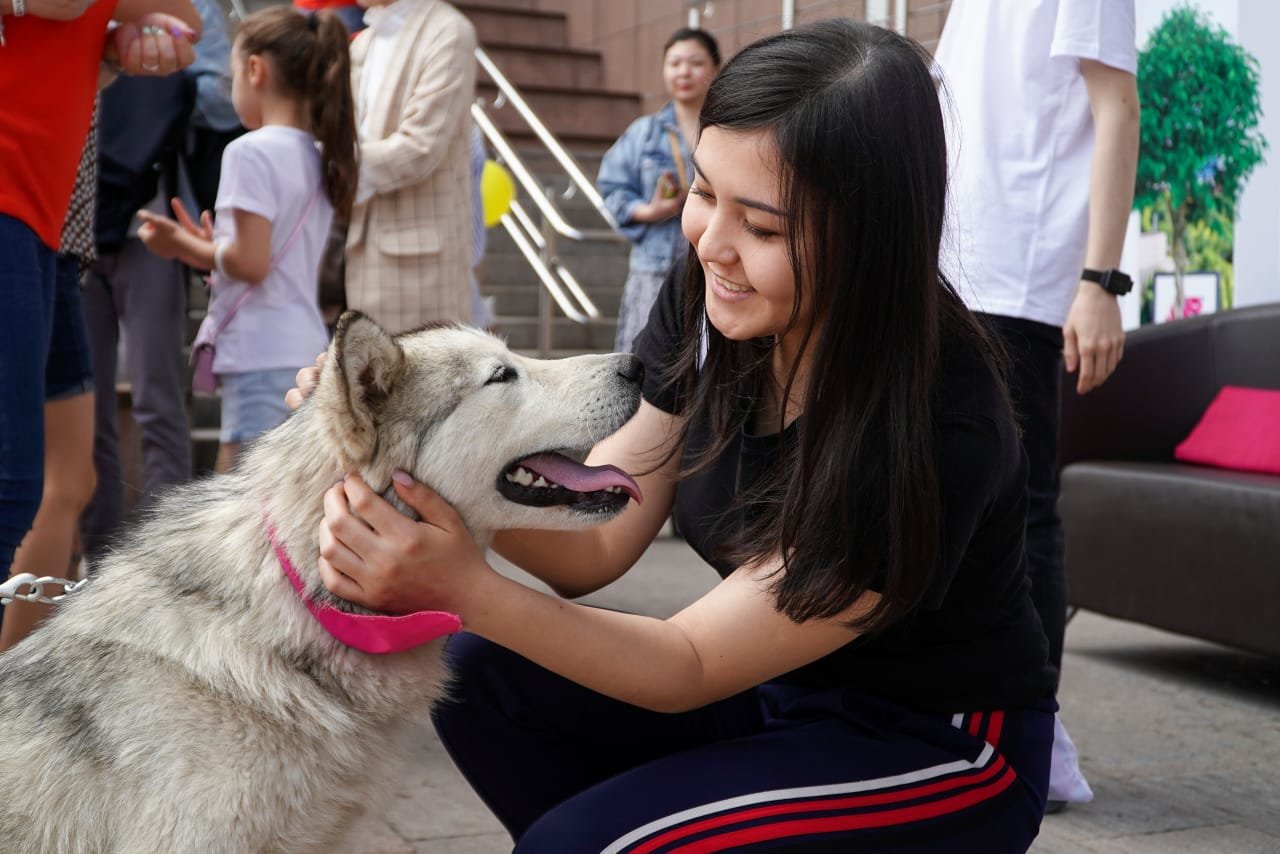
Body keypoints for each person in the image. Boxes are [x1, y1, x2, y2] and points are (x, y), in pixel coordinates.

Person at [300, 20, 1058, 851]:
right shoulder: (712, 302)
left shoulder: (936, 417)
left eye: (763, 228)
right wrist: (415, 462)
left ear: (872, 239)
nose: (712, 245)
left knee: (582, 844)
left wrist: (462, 586)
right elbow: (601, 537)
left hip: (935, 745)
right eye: (703, 192)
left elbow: (686, 664)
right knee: (485, 680)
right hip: (775, 695)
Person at [934, 0, 1140, 811]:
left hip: (1021, 277)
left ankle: (1031, 737)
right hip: (956, 263)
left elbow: (1116, 105)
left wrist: (1100, 284)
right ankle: (967, 714)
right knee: (962, 499)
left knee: (1024, 511)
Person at [0, 0, 200, 611]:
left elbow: (184, 24)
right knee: (13, 488)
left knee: (52, 483)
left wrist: (114, 49)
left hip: (46, 223)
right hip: (20, 207)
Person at [138, 5, 356, 472]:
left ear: (254, 70)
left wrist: (182, 246)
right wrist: (212, 249)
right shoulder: (319, 153)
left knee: (241, 494)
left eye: (232, 74)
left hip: (260, 349)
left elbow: (250, 263)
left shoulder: (247, 151)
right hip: (302, 342)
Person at [340, 0, 477, 334]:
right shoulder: (365, 41)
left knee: (427, 381)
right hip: (358, 248)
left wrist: (334, 165)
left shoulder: (448, 30)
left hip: (422, 262)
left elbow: (421, 146)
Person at [598, 27, 720, 353]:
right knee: (645, 368)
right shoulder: (643, 133)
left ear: (715, 68)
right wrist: (649, 211)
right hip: (654, 272)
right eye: (674, 63)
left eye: (695, 62)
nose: (684, 71)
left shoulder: (727, 130)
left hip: (715, 268)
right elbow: (611, 190)